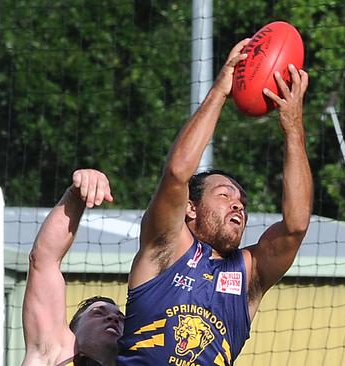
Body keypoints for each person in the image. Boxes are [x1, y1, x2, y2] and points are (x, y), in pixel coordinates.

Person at [118, 39, 312, 365]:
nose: (237, 205)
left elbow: (295, 226)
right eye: (224, 195)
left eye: (242, 201)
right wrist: (221, 90)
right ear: (190, 208)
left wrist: (293, 128)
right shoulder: (166, 246)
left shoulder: (249, 272)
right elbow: (178, 172)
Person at [22, 169, 124, 366]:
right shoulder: (53, 353)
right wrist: (75, 196)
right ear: (73, 330)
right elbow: (44, 260)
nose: (113, 317)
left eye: (121, 318)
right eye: (98, 313)